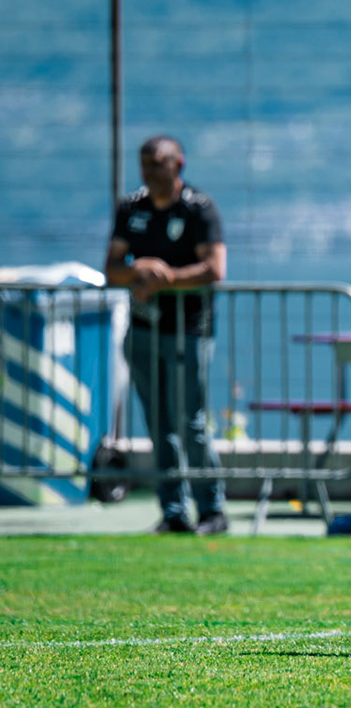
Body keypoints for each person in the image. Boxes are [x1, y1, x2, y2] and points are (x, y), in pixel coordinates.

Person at [105, 135, 229, 535]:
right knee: (159, 425)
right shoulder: (131, 207)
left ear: (178, 164)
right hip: (142, 331)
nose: (148, 171)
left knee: (190, 422)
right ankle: (173, 511)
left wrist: (167, 278)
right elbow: (112, 267)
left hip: (188, 333)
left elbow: (215, 269)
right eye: (144, 163)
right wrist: (141, 269)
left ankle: (212, 510)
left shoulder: (199, 208)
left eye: (156, 163)